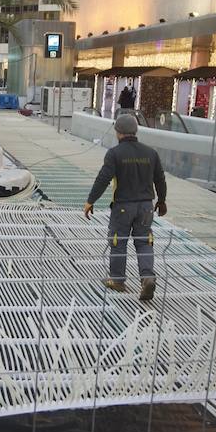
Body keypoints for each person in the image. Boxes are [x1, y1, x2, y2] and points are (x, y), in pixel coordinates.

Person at [83, 114, 168, 303]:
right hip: (146, 206)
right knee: (144, 242)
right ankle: (147, 277)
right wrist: (161, 201)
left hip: (123, 207)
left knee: (118, 241)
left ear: (118, 132)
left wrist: (90, 201)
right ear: (135, 131)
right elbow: (160, 180)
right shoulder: (150, 153)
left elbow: (103, 178)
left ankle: (118, 280)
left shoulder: (114, 153)